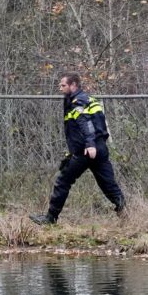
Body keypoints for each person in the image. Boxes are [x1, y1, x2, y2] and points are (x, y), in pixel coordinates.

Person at [30, 72, 125, 226]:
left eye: (63, 85)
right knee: (108, 184)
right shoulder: (90, 100)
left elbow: (85, 123)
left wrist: (90, 144)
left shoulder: (77, 102)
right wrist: (96, 145)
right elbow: (99, 124)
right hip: (100, 149)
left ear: (73, 85)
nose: (60, 88)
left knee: (63, 181)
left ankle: (50, 218)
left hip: (86, 151)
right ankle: (127, 213)